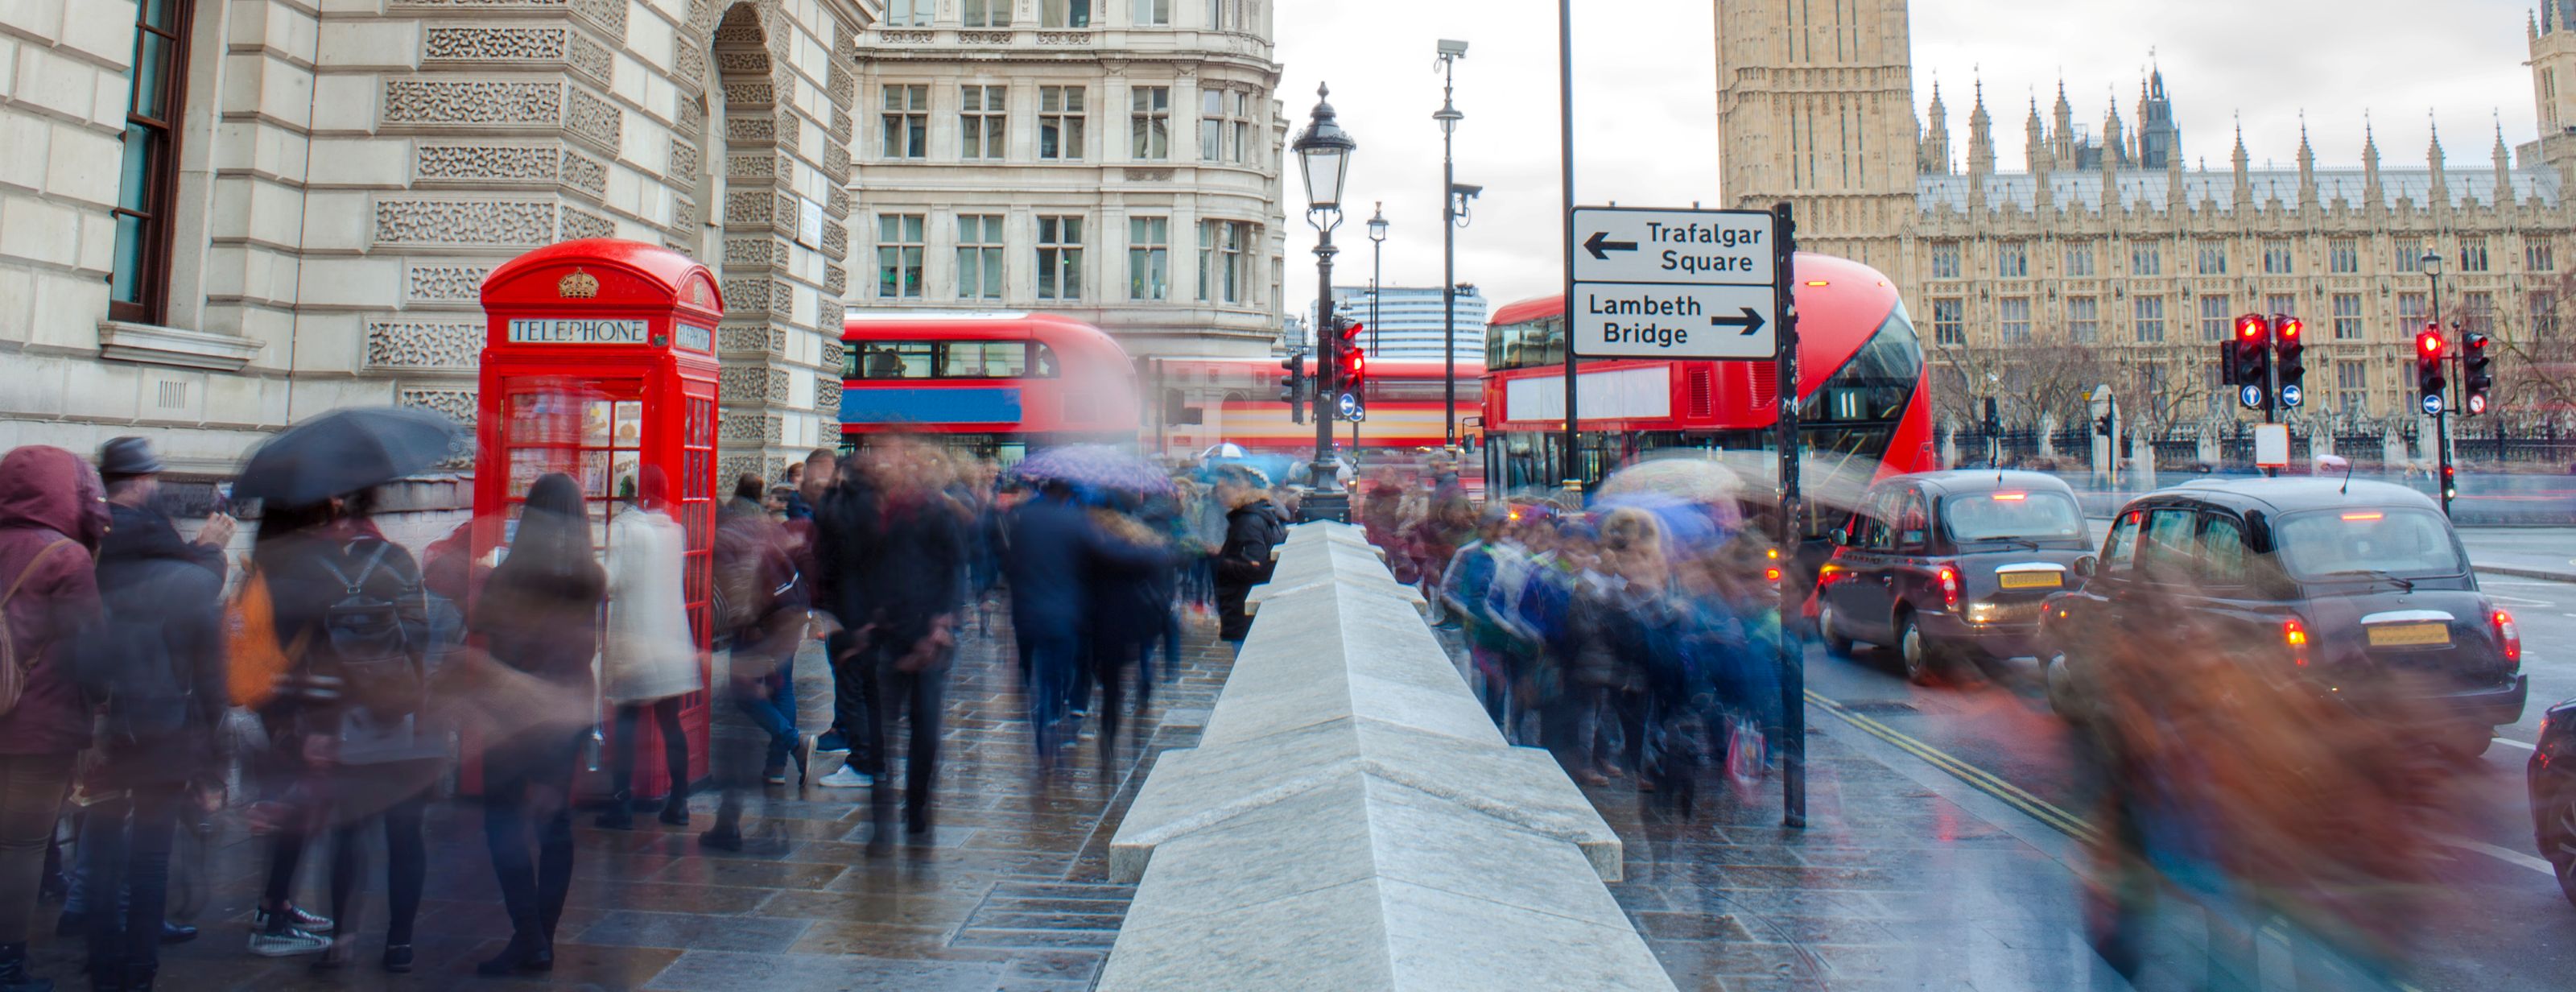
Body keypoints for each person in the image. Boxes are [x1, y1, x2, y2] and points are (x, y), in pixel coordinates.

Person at [246, 484, 444, 972]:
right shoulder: (398, 560)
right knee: (406, 836)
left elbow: (309, 657)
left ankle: (343, 941)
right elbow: (420, 637)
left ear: (336, 517)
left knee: (349, 832)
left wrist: (309, 727)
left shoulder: (316, 570)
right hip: (404, 715)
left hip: (342, 721)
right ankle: (399, 944)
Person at [69, 440, 232, 990]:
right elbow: (209, 675)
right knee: (151, 856)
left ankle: (101, 964)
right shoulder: (184, 573)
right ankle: (140, 969)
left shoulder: (88, 549)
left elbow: (77, 642)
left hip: (106, 723)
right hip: (164, 726)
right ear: (142, 482)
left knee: (105, 843)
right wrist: (213, 760)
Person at [471, 474, 605, 975]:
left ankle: (527, 934)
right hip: (567, 707)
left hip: (514, 713)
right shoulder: (591, 575)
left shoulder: (510, 575)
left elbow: (488, 633)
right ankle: (542, 939)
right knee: (555, 825)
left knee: (501, 821)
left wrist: (485, 573)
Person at [0, 446, 109, 992]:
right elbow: (90, 650)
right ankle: (7, 964)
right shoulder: (66, 557)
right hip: (37, 728)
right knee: (19, 846)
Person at [596, 469, 700, 830]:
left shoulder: (623, 529)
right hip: (670, 639)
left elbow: (610, 581)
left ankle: (621, 804)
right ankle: (681, 802)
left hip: (634, 639)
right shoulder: (675, 531)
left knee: (625, 723)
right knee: (671, 725)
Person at [1212, 474, 1287, 647]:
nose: (1219, 494)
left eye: (1223, 489)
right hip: (1245, 603)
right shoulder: (1259, 513)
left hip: (1243, 604)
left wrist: (1222, 563)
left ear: (1241, 489)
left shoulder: (1248, 521)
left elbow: (1254, 566)